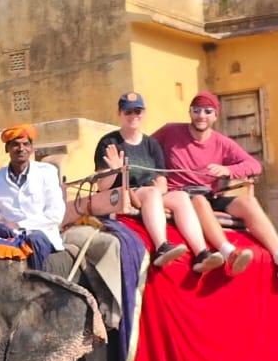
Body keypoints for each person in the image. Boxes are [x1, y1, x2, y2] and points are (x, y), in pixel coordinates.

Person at [152, 92, 278, 279]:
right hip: (182, 197)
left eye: (207, 111)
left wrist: (228, 170)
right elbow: (145, 147)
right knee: (199, 200)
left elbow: (254, 165)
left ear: (215, 116)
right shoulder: (170, 131)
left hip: (210, 195)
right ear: (190, 112)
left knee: (248, 202)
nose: (201, 116)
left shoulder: (222, 143)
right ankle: (228, 253)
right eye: (196, 110)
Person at [94, 91, 252, 275]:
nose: (133, 116)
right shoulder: (109, 142)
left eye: (137, 111)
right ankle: (162, 246)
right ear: (119, 113)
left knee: (181, 196)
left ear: (143, 113)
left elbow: (161, 178)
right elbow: (102, 186)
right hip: (123, 194)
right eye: (128, 111)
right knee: (152, 193)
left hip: (151, 194)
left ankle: (201, 253)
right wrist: (115, 171)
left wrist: (159, 191)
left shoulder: (151, 144)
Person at [0, 124, 65, 265]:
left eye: (25, 144)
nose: (21, 149)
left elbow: (55, 215)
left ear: (32, 148)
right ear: (7, 149)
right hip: (8, 236)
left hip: (41, 233)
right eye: (15, 145)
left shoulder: (47, 173)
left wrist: (20, 225)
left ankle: (36, 277)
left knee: (34, 239)